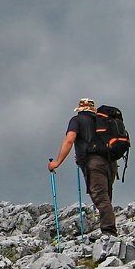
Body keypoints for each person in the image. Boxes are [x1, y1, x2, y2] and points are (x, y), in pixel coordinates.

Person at [49, 97, 118, 235]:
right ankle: (109, 230)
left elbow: (69, 141)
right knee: (106, 196)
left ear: (80, 109)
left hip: (94, 164)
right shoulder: (101, 120)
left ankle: (109, 233)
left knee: (100, 197)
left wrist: (56, 162)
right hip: (111, 163)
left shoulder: (77, 120)